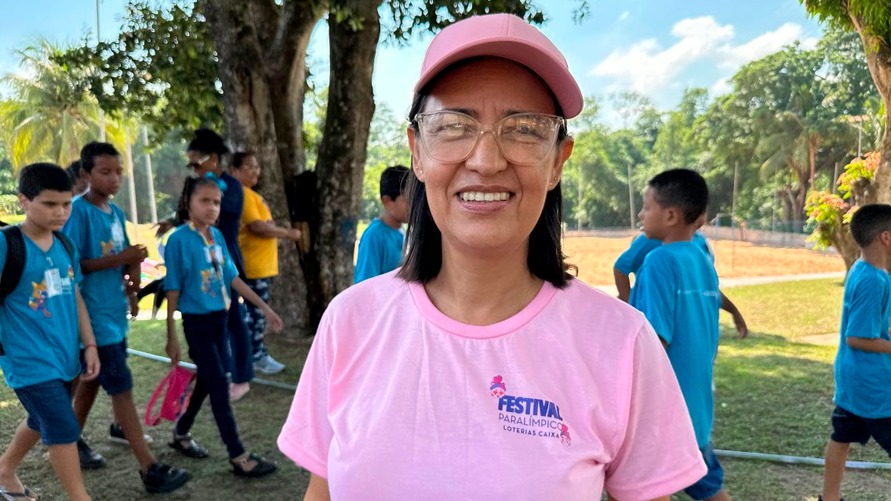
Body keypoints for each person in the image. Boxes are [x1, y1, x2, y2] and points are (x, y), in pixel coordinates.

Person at [278, 13, 706, 500]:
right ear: (417, 151)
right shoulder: (350, 322)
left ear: (557, 161)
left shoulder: (622, 343)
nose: (485, 161)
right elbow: (322, 492)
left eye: (524, 129)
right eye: (454, 126)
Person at [63, 142, 191, 493]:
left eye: (119, 171)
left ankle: (70, 440)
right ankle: (150, 468)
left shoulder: (116, 213)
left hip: (113, 311)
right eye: (106, 172)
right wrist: (121, 257)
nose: (115, 178)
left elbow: (126, 260)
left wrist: (132, 287)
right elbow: (74, 266)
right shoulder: (77, 212)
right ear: (86, 175)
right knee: (122, 390)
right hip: (91, 318)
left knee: (91, 381)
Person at [163, 176, 282, 478]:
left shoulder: (216, 236)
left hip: (221, 322)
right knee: (218, 385)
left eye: (216, 202)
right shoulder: (178, 239)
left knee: (207, 381)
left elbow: (233, 278)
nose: (212, 207)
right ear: (188, 203)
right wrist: (171, 336)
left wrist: (265, 308)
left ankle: (181, 433)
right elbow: (173, 287)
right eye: (204, 201)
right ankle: (238, 455)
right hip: (197, 324)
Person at [0, 163, 100, 501]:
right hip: (27, 361)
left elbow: (75, 296)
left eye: (66, 203)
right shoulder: (5, 245)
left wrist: (90, 344)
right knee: (62, 428)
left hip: (66, 357)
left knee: (40, 419)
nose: (60, 212)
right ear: (24, 201)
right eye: (49, 204)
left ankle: (4, 470)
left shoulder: (66, 245)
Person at [629, 169, 730, 501]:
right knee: (706, 484)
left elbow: (654, 343)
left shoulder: (658, 261)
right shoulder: (703, 261)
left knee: (650, 487)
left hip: (665, 410)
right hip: (697, 407)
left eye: (646, 207)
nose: (641, 215)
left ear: (670, 215)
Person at [819, 204, 891, 501]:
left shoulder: (865, 271)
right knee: (842, 436)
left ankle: (829, 497)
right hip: (873, 386)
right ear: (886, 238)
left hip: (854, 380)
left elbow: (874, 326)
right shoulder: (873, 280)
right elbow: (858, 337)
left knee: (842, 436)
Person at [184, 129, 255, 401]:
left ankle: (242, 376)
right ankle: (214, 372)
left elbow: (218, 218)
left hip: (225, 262)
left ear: (212, 158)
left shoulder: (232, 187)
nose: (194, 169)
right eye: (190, 165)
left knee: (234, 320)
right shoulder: (199, 186)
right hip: (200, 264)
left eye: (196, 163)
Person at [614, 216, 749, 338]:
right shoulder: (650, 241)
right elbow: (621, 267)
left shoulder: (700, 244)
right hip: (662, 333)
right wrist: (630, 306)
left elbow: (706, 286)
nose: (641, 214)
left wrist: (733, 310)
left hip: (698, 335)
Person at [229, 152, 301, 374]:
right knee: (255, 314)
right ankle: (254, 356)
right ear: (235, 170)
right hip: (253, 267)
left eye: (257, 166)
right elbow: (257, 227)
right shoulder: (241, 195)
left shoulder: (250, 195)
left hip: (262, 267)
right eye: (249, 167)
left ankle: (251, 355)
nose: (255, 171)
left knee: (255, 313)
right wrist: (288, 234)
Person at [354, 165, 410, 283]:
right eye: (408, 200)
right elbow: (365, 285)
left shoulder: (403, 230)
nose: (414, 206)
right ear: (388, 201)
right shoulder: (373, 237)